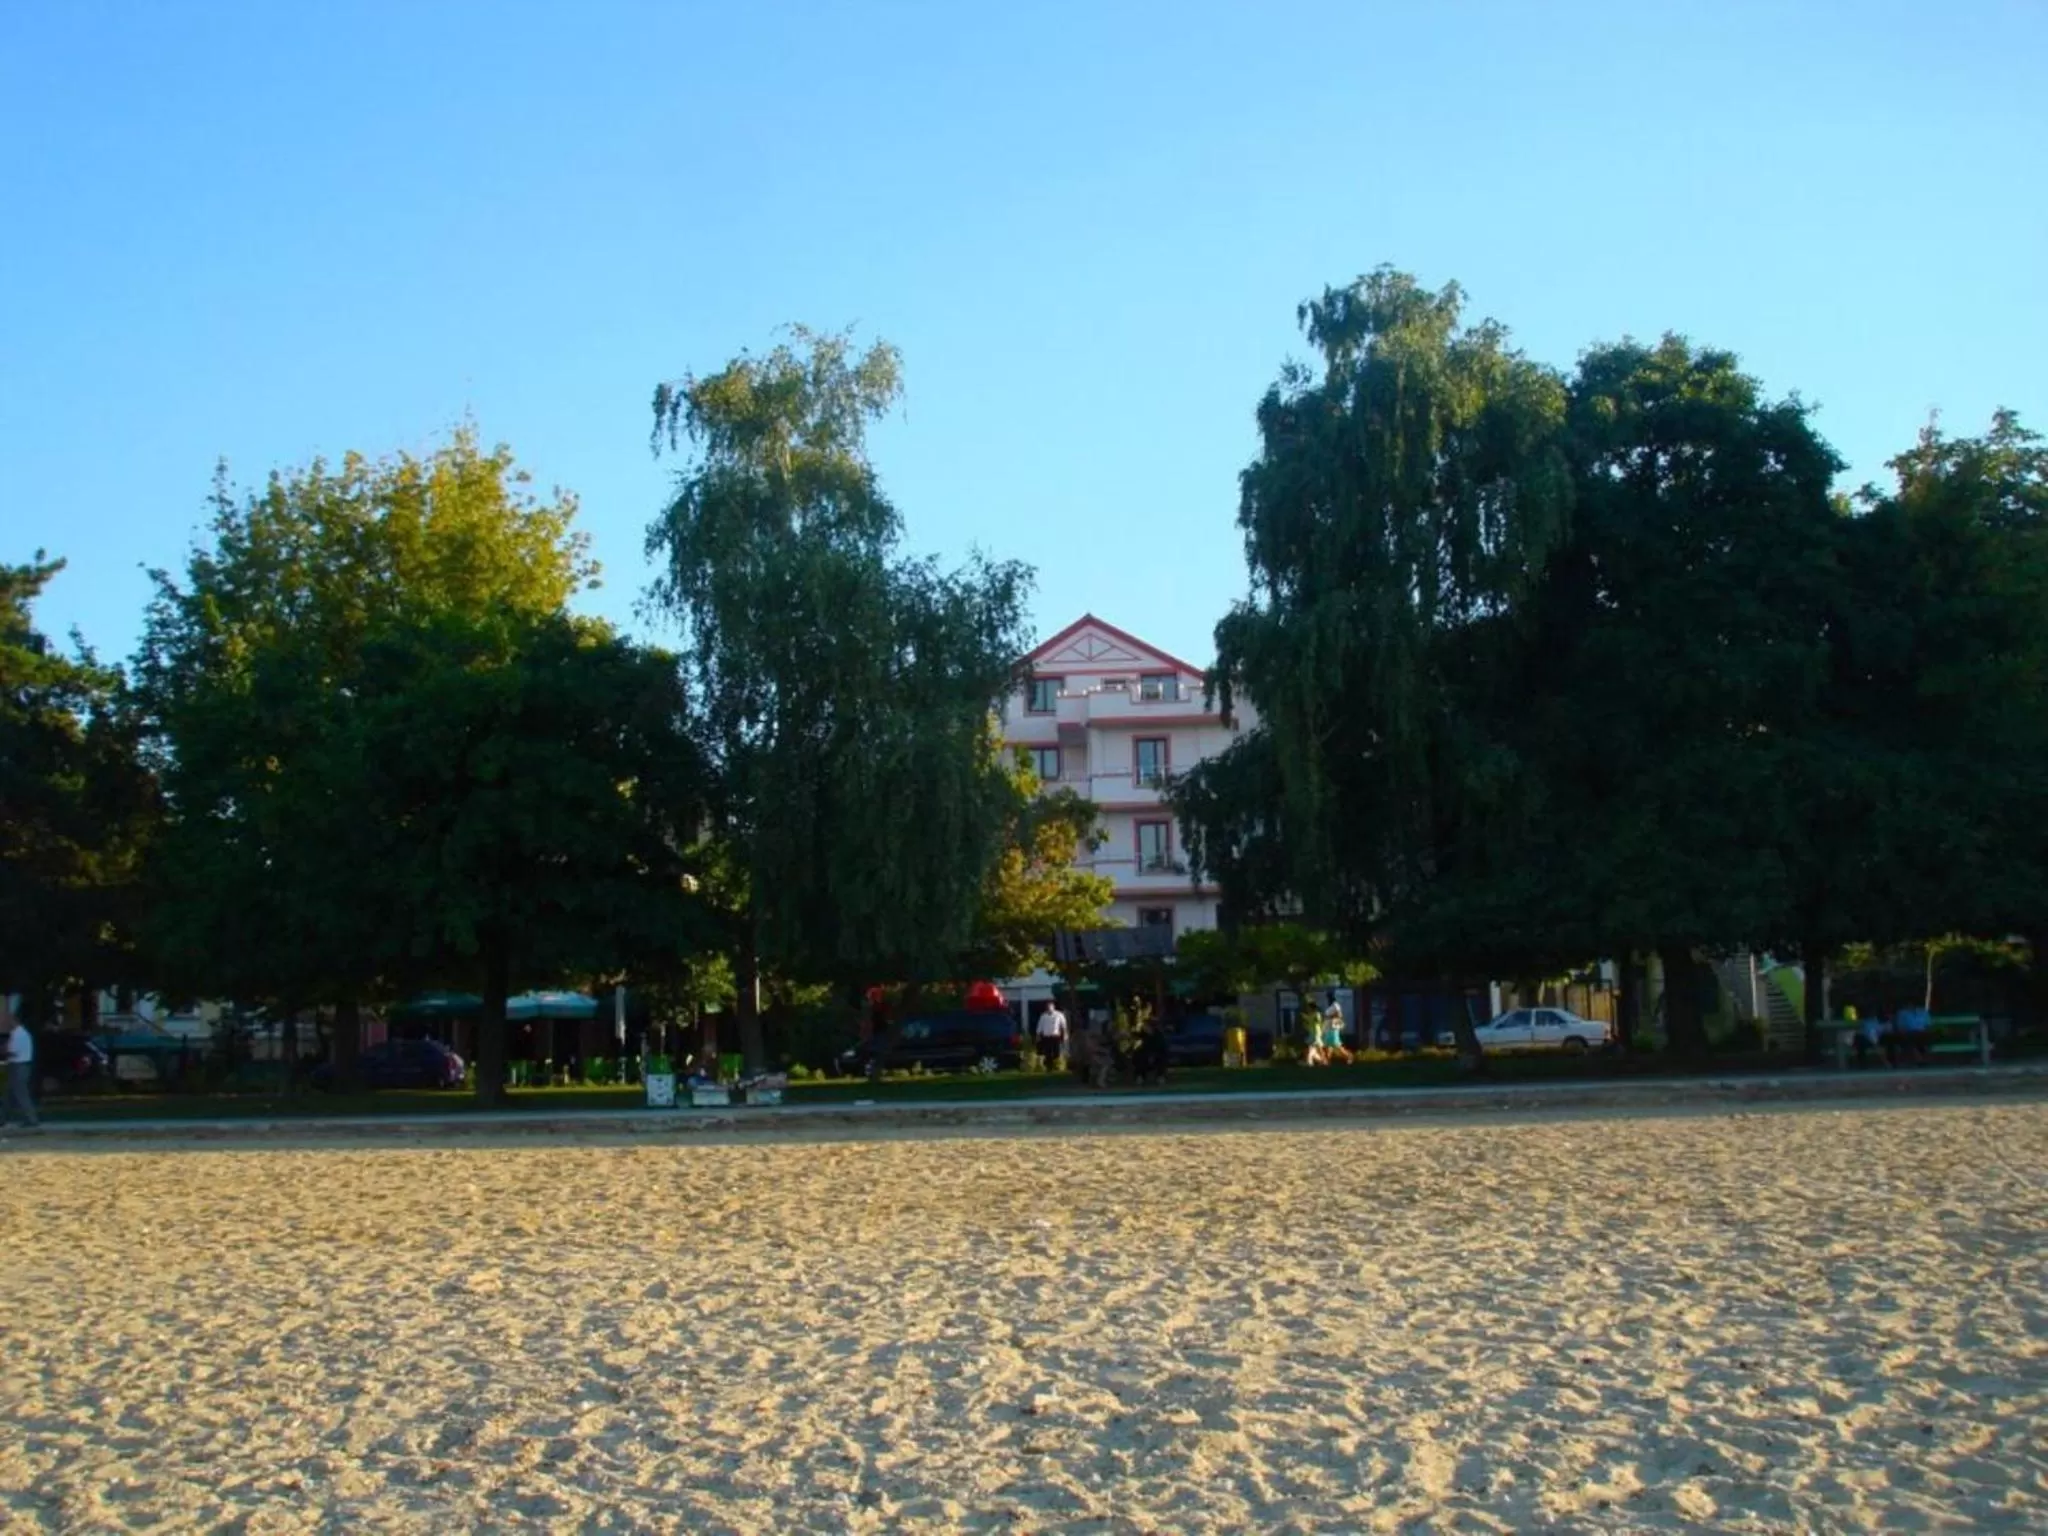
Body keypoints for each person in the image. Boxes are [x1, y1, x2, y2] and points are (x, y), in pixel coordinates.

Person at [3, 1018, 37, 1130]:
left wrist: (3, 1051)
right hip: (18, 1065)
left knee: (20, 1093)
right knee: (9, 1093)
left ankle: (31, 1119)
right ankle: (3, 1118)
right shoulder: (18, 1034)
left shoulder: (19, 1035)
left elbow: (13, 1051)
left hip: (19, 1065)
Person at [1035, 1002, 1068, 1070]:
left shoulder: (1059, 1015)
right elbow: (1040, 1027)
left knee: (1057, 1052)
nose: (1049, 1009)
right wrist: (1038, 1036)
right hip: (1046, 1037)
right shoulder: (1043, 1016)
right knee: (1048, 1052)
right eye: (1048, 1007)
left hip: (1055, 1036)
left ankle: (1057, 1066)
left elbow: (1063, 1025)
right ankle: (1049, 1067)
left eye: (1050, 1007)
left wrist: (1065, 1034)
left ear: (1053, 1007)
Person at [1323, 994, 1354, 1065]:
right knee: (1328, 1045)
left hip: (1333, 1027)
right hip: (1328, 1027)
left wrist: (1329, 1016)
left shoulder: (1335, 1005)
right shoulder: (1330, 1006)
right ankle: (1327, 1061)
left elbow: (1339, 1015)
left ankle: (1349, 1057)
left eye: (1329, 998)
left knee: (1336, 1045)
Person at [1299, 999, 1327, 1066]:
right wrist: (1305, 1023)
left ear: (1312, 1008)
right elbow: (1310, 1022)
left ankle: (1310, 1062)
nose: (1307, 1009)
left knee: (1312, 1048)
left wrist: (1305, 1017)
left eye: (1308, 1007)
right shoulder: (1312, 1014)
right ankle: (1322, 1061)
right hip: (1313, 1033)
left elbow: (1317, 1021)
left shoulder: (1316, 1014)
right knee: (1315, 1048)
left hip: (1315, 1034)